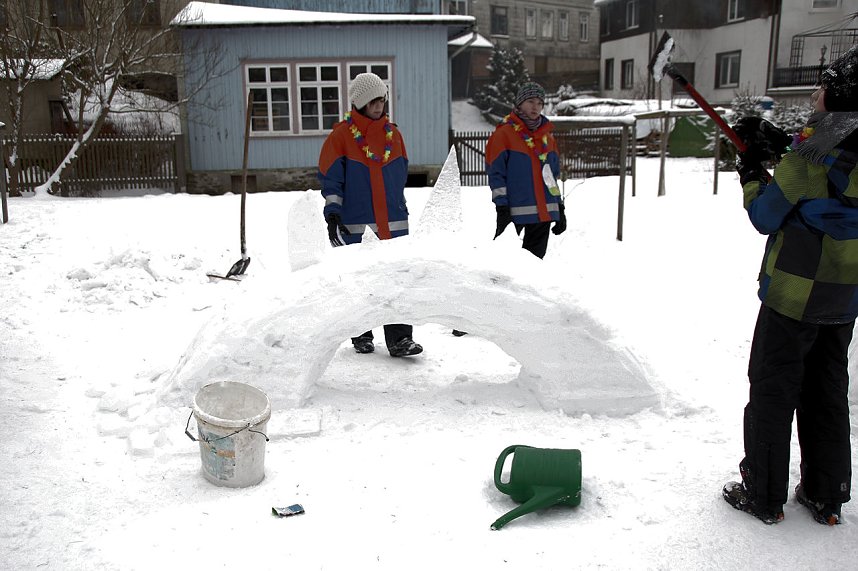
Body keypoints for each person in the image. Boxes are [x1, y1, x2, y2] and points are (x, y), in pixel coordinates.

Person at [722, 45, 858, 526]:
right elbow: (830, 167)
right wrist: (781, 143)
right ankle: (827, 494)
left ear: (839, 97)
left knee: (773, 389)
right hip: (845, 295)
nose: (816, 92)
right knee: (827, 391)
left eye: (824, 87)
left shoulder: (807, 158)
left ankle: (762, 494)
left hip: (794, 295)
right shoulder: (827, 145)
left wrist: (750, 174)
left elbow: (766, 214)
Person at [318, 72, 422, 358]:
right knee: (360, 281)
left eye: (382, 100)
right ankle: (361, 333)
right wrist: (333, 213)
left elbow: (400, 176)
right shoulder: (341, 137)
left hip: (393, 224)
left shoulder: (394, 135)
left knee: (397, 280)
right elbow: (331, 179)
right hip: (357, 224)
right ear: (360, 103)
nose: (379, 106)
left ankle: (400, 338)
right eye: (373, 101)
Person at [486, 82, 566, 259]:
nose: (535, 107)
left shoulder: (548, 138)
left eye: (539, 103)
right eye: (530, 101)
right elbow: (496, 175)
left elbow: (551, 178)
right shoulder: (503, 135)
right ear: (519, 104)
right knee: (507, 268)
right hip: (515, 216)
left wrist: (559, 206)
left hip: (543, 216)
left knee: (534, 269)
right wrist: (502, 207)